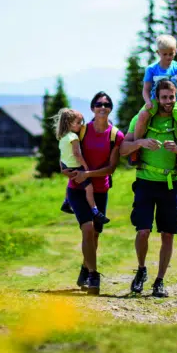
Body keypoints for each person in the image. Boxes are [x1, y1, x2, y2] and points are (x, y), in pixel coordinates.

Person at [119, 79, 177, 297]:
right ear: (156, 97)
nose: (168, 102)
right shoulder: (142, 118)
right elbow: (123, 149)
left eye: (171, 97)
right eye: (164, 97)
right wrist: (140, 143)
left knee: (168, 234)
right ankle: (142, 270)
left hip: (170, 185)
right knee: (143, 231)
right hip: (145, 182)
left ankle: (160, 281)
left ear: (176, 97)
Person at [61, 91, 124, 295]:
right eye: (98, 104)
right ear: (92, 108)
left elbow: (111, 168)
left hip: (100, 190)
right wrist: (65, 170)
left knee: (95, 235)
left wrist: (87, 173)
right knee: (87, 229)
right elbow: (65, 152)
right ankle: (94, 275)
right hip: (77, 189)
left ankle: (85, 268)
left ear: (110, 108)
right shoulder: (82, 131)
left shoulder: (116, 135)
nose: (102, 107)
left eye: (106, 104)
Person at [132, 34, 177, 175]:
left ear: (175, 51)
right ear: (158, 53)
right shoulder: (151, 69)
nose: (168, 57)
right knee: (142, 116)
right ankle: (136, 150)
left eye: (171, 54)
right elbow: (145, 89)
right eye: (165, 54)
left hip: (175, 101)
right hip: (155, 100)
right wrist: (147, 102)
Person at [54, 107, 109, 228]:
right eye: (78, 123)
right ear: (69, 123)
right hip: (76, 166)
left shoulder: (62, 137)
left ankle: (66, 202)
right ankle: (94, 210)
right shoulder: (74, 137)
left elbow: (62, 155)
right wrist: (85, 166)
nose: (81, 125)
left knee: (71, 182)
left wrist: (62, 168)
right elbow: (77, 154)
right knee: (89, 188)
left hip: (66, 165)